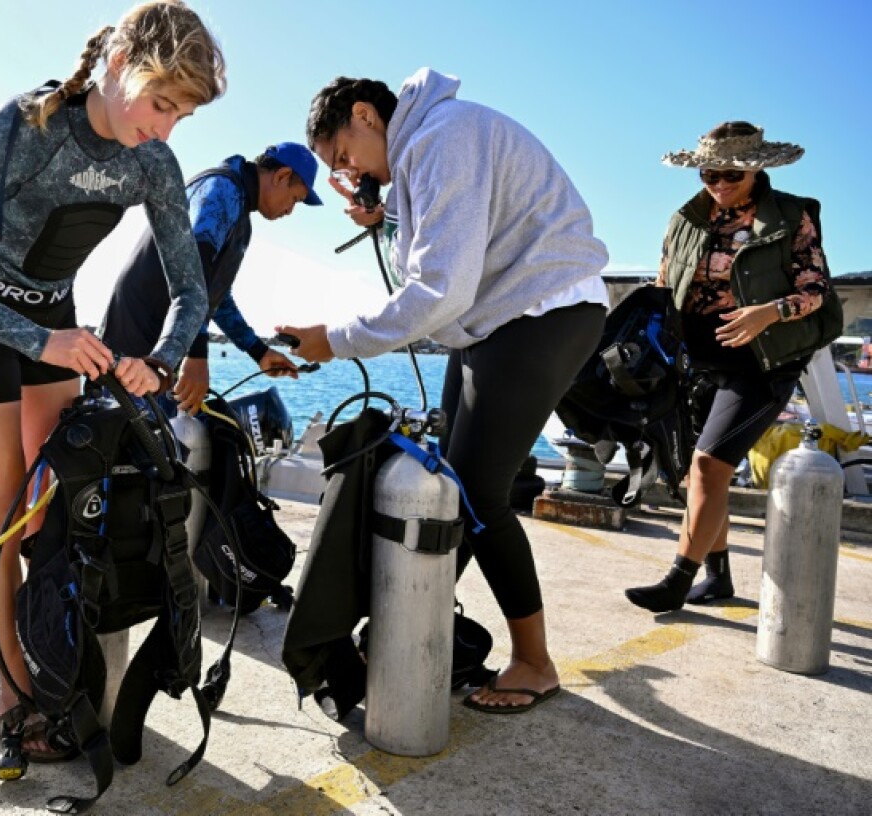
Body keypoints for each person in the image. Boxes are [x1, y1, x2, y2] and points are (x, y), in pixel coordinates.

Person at [0, 0, 224, 757]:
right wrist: (44, 338)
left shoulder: (152, 162)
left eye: (181, 116)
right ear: (114, 65)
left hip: (57, 328)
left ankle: (55, 656)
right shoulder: (29, 125)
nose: (164, 129)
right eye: (160, 103)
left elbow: (190, 292)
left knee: (62, 511)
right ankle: (14, 694)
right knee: (4, 519)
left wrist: (160, 360)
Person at [277, 69, 609, 714]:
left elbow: (439, 289)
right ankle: (403, 627)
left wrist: (337, 339)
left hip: (541, 308)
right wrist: (385, 214)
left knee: (480, 490)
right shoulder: (427, 149)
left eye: (344, 154)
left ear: (368, 115)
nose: (348, 168)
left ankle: (535, 662)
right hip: (498, 320)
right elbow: (441, 256)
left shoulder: (442, 135)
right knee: (451, 487)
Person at [625, 122, 833, 612]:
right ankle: (717, 577)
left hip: (763, 362)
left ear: (756, 167)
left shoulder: (790, 215)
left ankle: (678, 580)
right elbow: (663, 283)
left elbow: (817, 289)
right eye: (708, 173)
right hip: (693, 362)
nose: (718, 183)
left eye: (730, 175)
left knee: (708, 465)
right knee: (693, 472)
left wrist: (769, 313)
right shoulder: (684, 218)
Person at [100, 142, 323, 412]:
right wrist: (196, 354)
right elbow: (194, 272)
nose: (290, 210)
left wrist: (259, 352)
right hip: (133, 344)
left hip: (163, 352)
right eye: (295, 200)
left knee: (166, 445)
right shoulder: (221, 189)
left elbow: (216, 297)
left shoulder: (240, 213)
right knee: (125, 443)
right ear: (282, 176)